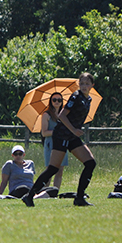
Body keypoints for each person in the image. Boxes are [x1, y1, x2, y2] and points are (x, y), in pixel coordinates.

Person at [23, 73, 97, 207]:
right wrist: (74, 130)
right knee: (53, 169)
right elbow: (62, 116)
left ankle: (79, 197)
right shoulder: (75, 96)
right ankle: (29, 196)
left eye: (87, 83)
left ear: (92, 85)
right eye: (82, 83)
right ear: (78, 84)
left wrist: (75, 129)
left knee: (90, 163)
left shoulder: (89, 99)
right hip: (61, 135)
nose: (84, 86)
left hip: (72, 136)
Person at [40, 92, 68, 190]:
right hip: (50, 144)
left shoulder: (64, 115)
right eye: (54, 100)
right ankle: (44, 190)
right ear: (51, 101)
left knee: (60, 170)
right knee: (50, 170)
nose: (57, 102)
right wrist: (56, 132)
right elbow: (44, 133)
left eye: (59, 100)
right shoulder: (46, 115)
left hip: (62, 143)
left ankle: (55, 191)